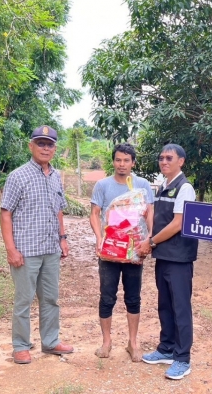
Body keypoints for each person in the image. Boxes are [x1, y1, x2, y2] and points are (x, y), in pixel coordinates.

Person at [0, 125, 74, 364]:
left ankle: (51, 342)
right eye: (40, 143)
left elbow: (58, 210)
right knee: (24, 300)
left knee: (51, 298)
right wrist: (11, 249)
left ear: (55, 149)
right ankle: (21, 346)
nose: (45, 148)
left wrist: (63, 239)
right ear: (31, 146)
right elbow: (6, 213)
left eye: (49, 144)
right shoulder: (18, 176)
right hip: (26, 251)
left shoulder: (56, 176)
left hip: (51, 249)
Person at [138, 144, 198, 380]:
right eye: (161, 158)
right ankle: (166, 348)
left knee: (180, 307)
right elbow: (158, 219)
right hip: (163, 255)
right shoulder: (163, 186)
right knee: (165, 304)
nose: (164, 161)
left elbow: (177, 224)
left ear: (180, 161)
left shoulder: (185, 188)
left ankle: (182, 358)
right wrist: (148, 238)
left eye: (169, 158)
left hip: (179, 258)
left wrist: (151, 242)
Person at [89, 143, 154, 362]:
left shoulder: (142, 185)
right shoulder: (102, 185)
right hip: (109, 251)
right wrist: (99, 238)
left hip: (134, 251)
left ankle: (132, 343)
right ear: (113, 161)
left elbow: (149, 213)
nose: (122, 164)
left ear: (133, 163)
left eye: (126, 160)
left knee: (133, 297)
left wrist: (149, 238)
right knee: (107, 297)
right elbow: (95, 213)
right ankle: (106, 342)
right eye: (118, 160)